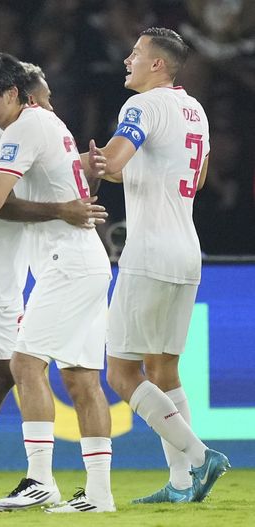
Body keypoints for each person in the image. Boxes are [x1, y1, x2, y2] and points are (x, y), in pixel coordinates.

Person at [0, 61, 109, 513]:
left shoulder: (25, 129)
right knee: (30, 375)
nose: (46, 104)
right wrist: (84, 173)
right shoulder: (19, 133)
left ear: (13, 95)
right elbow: (5, 202)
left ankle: (35, 479)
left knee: (22, 366)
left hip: (43, 267)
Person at [87, 27, 230, 504]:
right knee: (164, 370)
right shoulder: (195, 110)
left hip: (148, 253)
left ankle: (200, 456)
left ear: (157, 65)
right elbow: (197, 177)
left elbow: (111, 162)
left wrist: (68, 161)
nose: (127, 59)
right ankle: (182, 484)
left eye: (135, 53)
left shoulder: (141, 106)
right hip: (187, 251)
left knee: (121, 373)